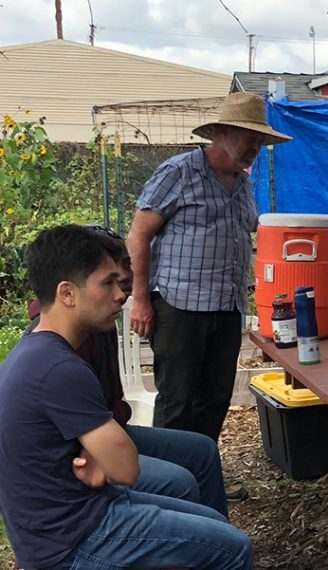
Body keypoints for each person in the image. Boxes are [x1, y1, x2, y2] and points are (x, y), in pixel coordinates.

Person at [0, 225, 251, 569]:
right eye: (107, 283)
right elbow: (127, 467)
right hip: (72, 541)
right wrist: (106, 462)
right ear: (67, 294)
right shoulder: (58, 367)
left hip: (80, 512)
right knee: (233, 548)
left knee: (215, 524)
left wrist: (103, 459)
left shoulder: (41, 350)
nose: (121, 295)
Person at [27, 225, 230, 517]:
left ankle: (215, 539)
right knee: (178, 482)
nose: (124, 282)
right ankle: (189, 547)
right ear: (70, 291)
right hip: (80, 454)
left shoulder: (98, 321)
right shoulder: (56, 346)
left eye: (125, 265)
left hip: (110, 430)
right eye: (112, 274)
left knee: (202, 450)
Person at [127, 92, 291, 445]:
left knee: (216, 398)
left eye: (261, 142)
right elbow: (138, 235)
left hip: (228, 307)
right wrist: (139, 298)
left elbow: (252, 231)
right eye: (251, 138)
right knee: (178, 400)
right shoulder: (179, 172)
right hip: (179, 306)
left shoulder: (244, 183)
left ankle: (202, 474)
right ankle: (170, 484)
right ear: (223, 133)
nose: (256, 148)